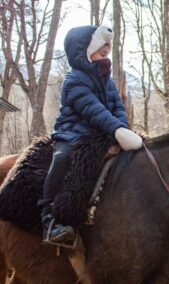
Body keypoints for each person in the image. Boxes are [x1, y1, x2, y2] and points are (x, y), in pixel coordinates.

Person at [38, 25, 143, 244]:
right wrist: (117, 129)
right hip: (73, 134)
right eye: (101, 53)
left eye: (107, 53)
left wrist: (122, 127)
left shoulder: (108, 81)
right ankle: (48, 217)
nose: (105, 57)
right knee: (62, 159)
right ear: (84, 52)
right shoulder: (74, 79)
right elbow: (94, 111)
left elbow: (117, 108)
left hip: (103, 132)